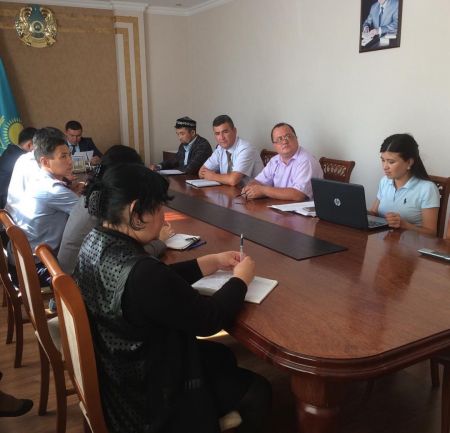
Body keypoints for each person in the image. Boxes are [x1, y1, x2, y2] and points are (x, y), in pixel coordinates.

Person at [74, 164, 271, 433]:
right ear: (136, 212)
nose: (164, 217)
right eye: (158, 208)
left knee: (222, 355)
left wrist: (210, 262)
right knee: (259, 391)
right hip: (147, 402)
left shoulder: (95, 241)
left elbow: (159, 284)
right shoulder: (144, 274)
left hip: (118, 372)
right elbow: (209, 320)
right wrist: (241, 280)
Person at [57, 144, 174, 275]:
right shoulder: (106, 205)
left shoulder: (95, 194)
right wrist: (160, 242)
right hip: (77, 278)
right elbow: (123, 260)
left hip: (75, 273)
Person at [8, 127, 79, 285]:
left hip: (20, 261)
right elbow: (88, 214)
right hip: (35, 269)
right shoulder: (52, 189)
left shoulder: (38, 179)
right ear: (45, 161)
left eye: (69, 155)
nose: (70, 161)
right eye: (63, 156)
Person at [369, 133, 440, 236]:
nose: (385, 167)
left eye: (391, 162)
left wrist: (405, 225)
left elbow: (431, 234)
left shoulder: (427, 188)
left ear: (409, 162)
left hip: (409, 245)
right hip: (383, 239)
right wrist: (360, 212)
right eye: (383, 160)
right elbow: (374, 212)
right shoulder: (385, 181)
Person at [241, 122, 322, 201]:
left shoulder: (306, 161)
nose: (284, 142)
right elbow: (259, 181)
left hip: (303, 209)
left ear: (296, 138)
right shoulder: (274, 161)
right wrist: (249, 189)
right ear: (274, 145)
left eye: (288, 136)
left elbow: (298, 195)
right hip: (279, 206)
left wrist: (263, 191)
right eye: (279, 139)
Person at [199, 115, 263, 186]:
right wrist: (221, 177)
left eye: (225, 132)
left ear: (234, 131)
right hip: (229, 191)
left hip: (251, 192)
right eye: (217, 134)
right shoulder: (220, 149)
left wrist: (212, 176)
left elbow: (233, 180)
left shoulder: (246, 149)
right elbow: (201, 172)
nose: (221, 137)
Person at [0, 127, 36, 209]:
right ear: (30, 144)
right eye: (38, 146)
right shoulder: (25, 158)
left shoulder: (10, 150)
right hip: (6, 203)